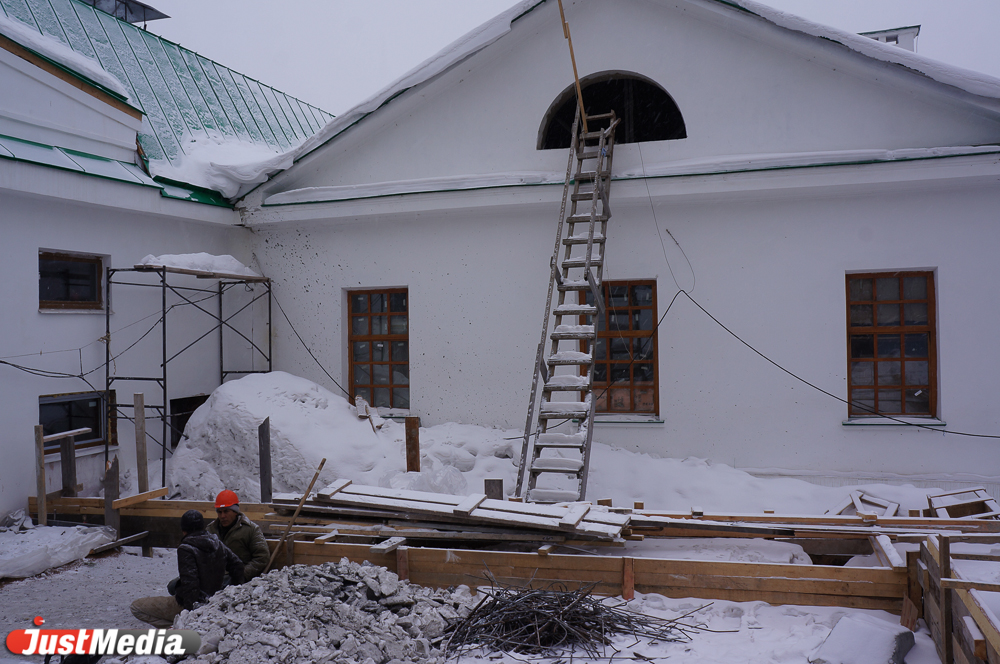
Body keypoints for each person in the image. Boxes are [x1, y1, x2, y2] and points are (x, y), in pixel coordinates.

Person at [130, 509, 244, 628]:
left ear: (184, 531)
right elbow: (238, 565)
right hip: (215, 601)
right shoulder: (216, 542)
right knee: (173, 585)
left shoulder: (186, 548)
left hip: (196, 605)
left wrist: (191, 616)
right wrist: (232, 595)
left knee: (136, 607)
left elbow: (191, 584)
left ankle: (177, 626)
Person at [208, 490, 270, 581]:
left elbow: (262, 557)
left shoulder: (250, 529)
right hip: (215, 578)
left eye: (226, 511)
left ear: (235, 512)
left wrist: (242, 574)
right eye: (219, 512)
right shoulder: (211, 530)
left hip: (237, 579)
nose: (222, 516)